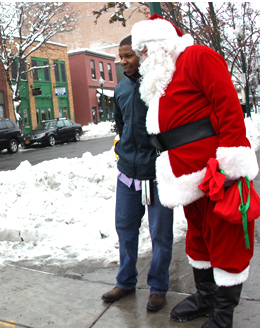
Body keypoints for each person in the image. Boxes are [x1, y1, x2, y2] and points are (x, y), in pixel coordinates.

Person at [131, 14, 259, 327]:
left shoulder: (198, 57)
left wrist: (231, 165)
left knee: (226, 238)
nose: (141, 57)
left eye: (144, 49)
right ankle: (206, 295)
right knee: (199, 236)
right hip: (185, 177)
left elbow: (227, 108)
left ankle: (223, 313)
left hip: (215, 171)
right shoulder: (163, 76)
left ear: (161, 43)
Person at [101, 35, 174, 312]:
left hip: (156, 173)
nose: (123, 62)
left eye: (128, 56)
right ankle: (126, 281)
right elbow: (121, 127)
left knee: (160, 234)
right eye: (120, 57)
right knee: (125, 229)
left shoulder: (156, 87)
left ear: (142, 55)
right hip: (127, 173)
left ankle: (158, 288)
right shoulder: (119, 89)